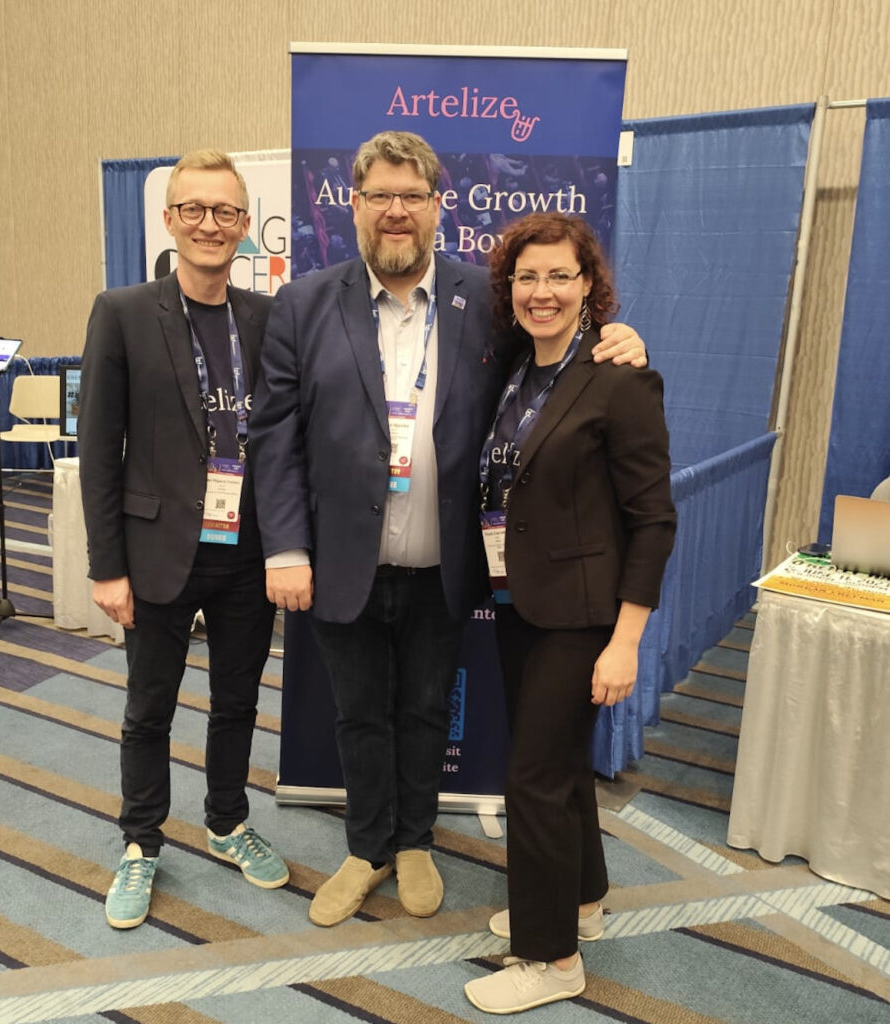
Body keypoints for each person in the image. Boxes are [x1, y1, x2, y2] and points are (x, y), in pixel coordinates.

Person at [249, 131, 647, 929]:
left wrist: (619, 338)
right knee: (359, 715)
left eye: (412, 196)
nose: (396, 211)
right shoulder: (305, 303)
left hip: (447, 564)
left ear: (438, 206)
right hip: (341, 561)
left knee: (429, 710)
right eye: (380, 196)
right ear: (353, 205)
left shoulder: (486, 301)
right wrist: (285, 547)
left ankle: (416, 841)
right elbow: (275, 433)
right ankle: (368, 849)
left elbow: (556, 358)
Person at [463, 213, 676, 1014]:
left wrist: (626, 641)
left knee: (534, 780)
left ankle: (551, 959)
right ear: (509, 288)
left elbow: (653, 521)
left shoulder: (620, 378)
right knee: (556, 769)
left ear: (589, 285)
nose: (542, 291)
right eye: (527, 277)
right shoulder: (519, 369)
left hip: (582, 618)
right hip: (519, 601)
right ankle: (579, 899)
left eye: (559, 275)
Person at [79, 149, 289, 930]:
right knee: (149, 709)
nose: (209, 224)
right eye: (193, 209)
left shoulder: (266, 318)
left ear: (244, 225)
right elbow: (99, 447)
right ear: (170, 220)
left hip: (247, 552)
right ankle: (141, 842)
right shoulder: (124, 311)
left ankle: (227, 821)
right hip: (156, 552)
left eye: (225, 211)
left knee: (237, 701)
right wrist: (107, 568)